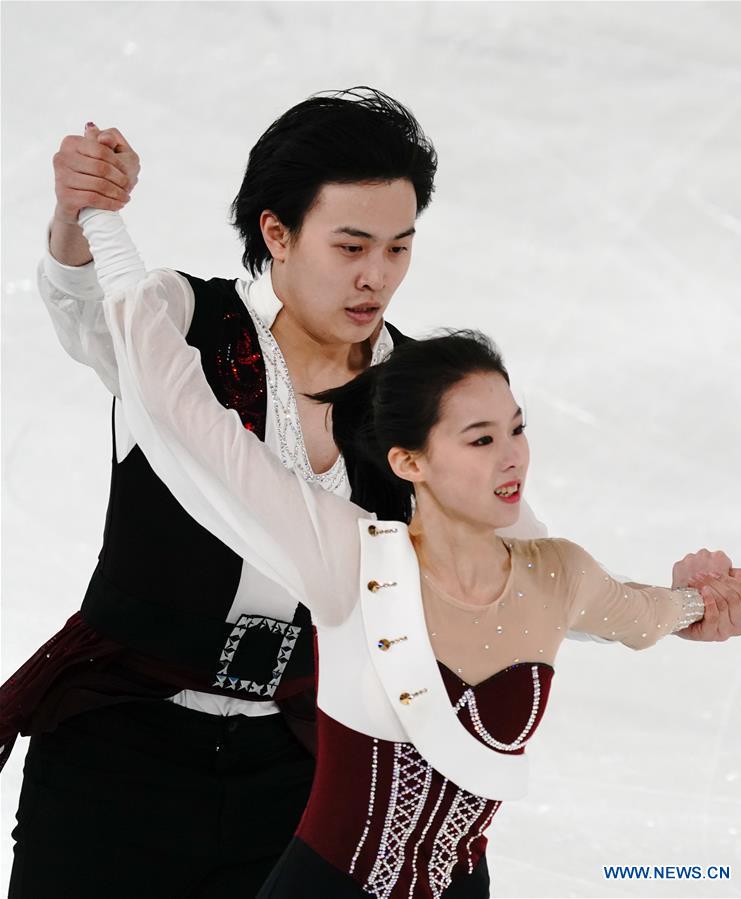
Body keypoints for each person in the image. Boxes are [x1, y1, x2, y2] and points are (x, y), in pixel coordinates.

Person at [80, 205, 741, 898]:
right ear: (410, 461)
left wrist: (701, 601)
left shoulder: (558, 572)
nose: (512, 457)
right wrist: (105, 228)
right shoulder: (349, 558)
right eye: (480, 439)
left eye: (516, 430)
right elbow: (184, 414)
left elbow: (644, 613)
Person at [2, 88, 456, 898]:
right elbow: (81, 306)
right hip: (118, 756)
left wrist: (667, 605)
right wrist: (79, 216)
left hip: (294, 765)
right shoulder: (183, 326)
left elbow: (495, 561)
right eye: (351, 245)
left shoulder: (423, 397)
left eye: (398, 247)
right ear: (277, 233)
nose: (376, 276)